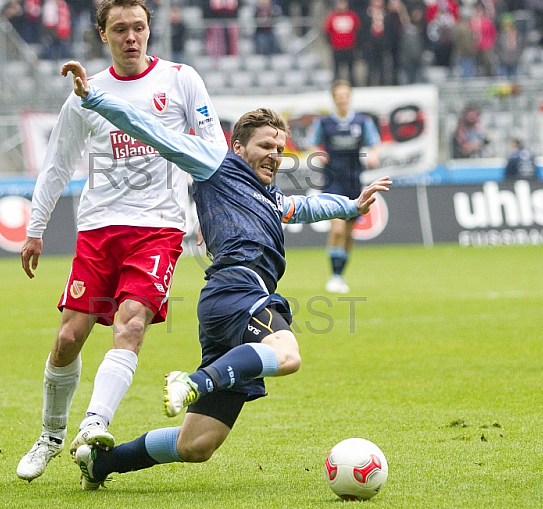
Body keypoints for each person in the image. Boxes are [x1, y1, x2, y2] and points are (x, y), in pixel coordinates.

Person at [60, 59, 392, 490]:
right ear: (238, 146)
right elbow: (149, 128)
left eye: (279, 147)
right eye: (266, 145)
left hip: (224, 303)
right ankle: (193, 381)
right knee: (288, 355)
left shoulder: (269, 197)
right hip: (239, 285)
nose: (275, 154)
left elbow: (305, 207)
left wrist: (352, 205)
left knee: (197, 444)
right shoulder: (213, 162)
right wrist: (95, 98)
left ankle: (100, 464)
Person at [15, 0, 228, 483]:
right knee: (69, 338)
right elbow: (56, 166)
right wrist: (35, 229)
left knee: (130, 325)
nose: (131, 37)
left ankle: (94, 425)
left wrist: (215, 219)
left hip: (158, 228)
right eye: (120, 30)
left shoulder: (180, 80)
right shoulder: (85, 95)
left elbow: (214, 152)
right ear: (102, 34)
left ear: (149, 29)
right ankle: (49, 436)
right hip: (98, 229)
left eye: (139, 28)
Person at [308, 80, 380, 294]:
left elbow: (374, 143)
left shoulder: (362, 121)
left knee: (349, 233)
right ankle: (333, 275)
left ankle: (339, 275)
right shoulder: (324, 123)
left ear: (349, 97)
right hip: (332, 180)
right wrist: (317, 153)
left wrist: (374, 154)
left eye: (345, 95)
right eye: (338, 95)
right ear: (333, 98)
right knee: (337, 227)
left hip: (354, 180)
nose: (342, 99)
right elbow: (312, 143)